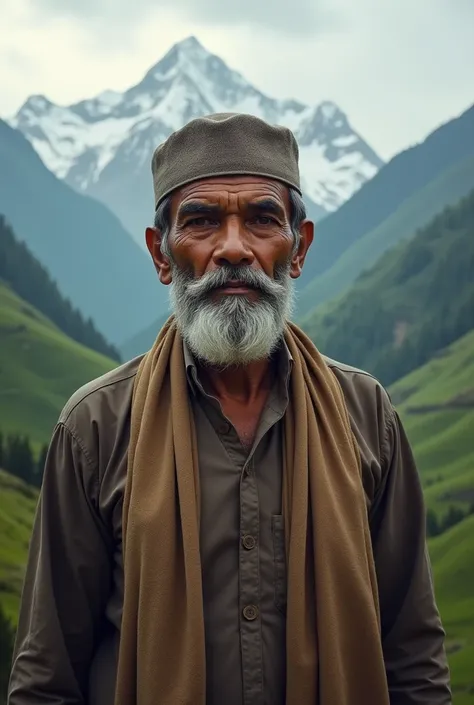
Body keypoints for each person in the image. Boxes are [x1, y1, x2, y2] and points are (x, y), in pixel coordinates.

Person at [8, 112, 451, 705]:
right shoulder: (96, 427)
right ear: (162, 254)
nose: (234, 248)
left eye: (263, 219)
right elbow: (46, 677)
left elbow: (414, 657)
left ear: (299, 248)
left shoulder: (366, 416)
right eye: (202, 221)